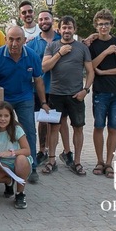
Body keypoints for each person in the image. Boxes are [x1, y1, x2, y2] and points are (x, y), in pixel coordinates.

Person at [0, 26, 49, 183]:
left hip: (24, 98)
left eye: (18, 39)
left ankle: (31, 167)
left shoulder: (32, 56)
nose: (14, 43)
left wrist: (43, 102)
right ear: (6, 39)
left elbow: (39, 81)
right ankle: (1, 163)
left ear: (24, 40)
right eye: (11, 39)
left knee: (29, 130)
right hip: (3, 99)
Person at [42, 16, 94, 176]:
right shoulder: (52, 46)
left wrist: (85, 90)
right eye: (64, 28)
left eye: (69, 27)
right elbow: (44, 67)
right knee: (53, 129)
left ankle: (77, 162)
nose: (66, 31)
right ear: (59, 30)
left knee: (78, 128)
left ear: (74, 29)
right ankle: (51, 160)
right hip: (56, 94)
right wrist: (60, 53)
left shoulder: (82, 48)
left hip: (75, 95)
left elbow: (91, 71)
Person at [87, 9, 116, 178]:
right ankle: (99, 161)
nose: (103, 27)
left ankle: (109, 163)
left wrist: (104, 72)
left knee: (113, 128)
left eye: (106, 24)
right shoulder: (93, 44)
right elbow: (90, 66)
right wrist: (105, 52)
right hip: (100, 92)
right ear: (96, 26)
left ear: (111, 25)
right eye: (100, 24)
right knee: (98, 126)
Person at [26, 10, 63, 166]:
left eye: (46, 18)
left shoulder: (62, 39)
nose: (43, 22)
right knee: (42, 120)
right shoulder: (32, 43)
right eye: (40, 19)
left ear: (52, 20)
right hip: (39, 88)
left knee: (57, 123)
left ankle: (54, 152)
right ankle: (42, 150)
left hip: (59, 88)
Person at [0, 101, 32, 209]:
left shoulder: (17, 129)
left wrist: (11, 153)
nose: (3, 119)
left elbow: (27, 150)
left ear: (11, 117)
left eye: (6, 116)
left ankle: (20, 194)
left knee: (21, 159)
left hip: (19, 161)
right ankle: (9, 181)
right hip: (3, 164)